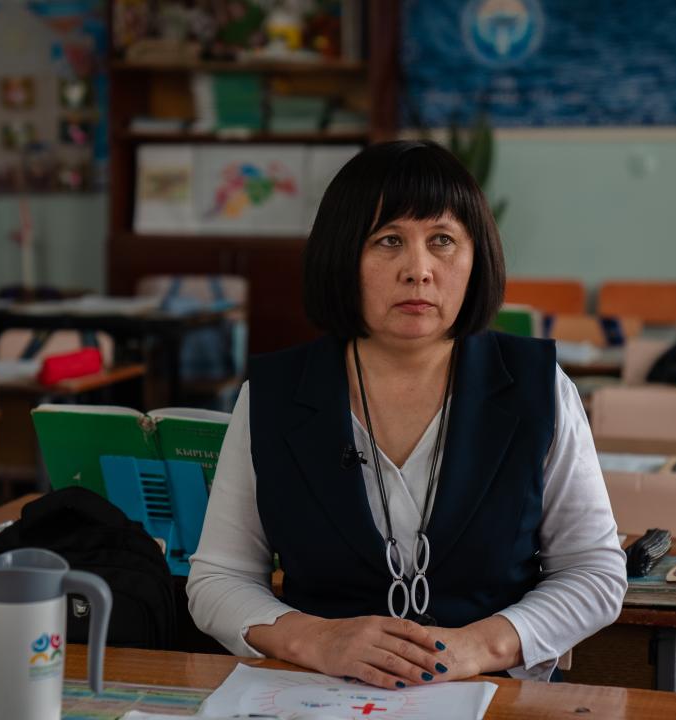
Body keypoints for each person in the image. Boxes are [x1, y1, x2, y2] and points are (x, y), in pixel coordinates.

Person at [187, 140, 627, 689]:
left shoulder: (539, 388)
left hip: (492, 692)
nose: (418, 270)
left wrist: (480, 645)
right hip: (315, 695)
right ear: (342, 256)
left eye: (442, 241)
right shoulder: (274, 393)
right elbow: (217, 578)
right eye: (388, 241)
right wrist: (313, 638)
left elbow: (595, 573)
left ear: (475, 257)